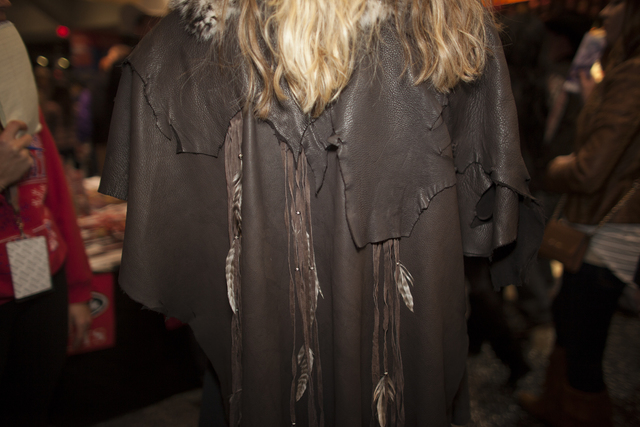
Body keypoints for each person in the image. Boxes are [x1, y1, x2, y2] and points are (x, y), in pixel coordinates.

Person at [99, 0, 543, 425]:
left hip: (262, 336)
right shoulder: (447, 17)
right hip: (408, 336)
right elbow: (483, 200)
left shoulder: (215, 23)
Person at [519, 1, 640, 426]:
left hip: (606, 233)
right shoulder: (620, 71)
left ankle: (577, 415)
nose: (603, 22)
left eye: (611, 17)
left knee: (585, 348)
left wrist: (546, 169)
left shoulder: (630, 75)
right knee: (571, 329)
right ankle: (556, 406)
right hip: (594, 226)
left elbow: (590, 169)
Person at [0, 3, 93, 425]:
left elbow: (55, 197)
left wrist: (76, 289)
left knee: (34, 405)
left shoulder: (19, 101)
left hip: (40, 277)